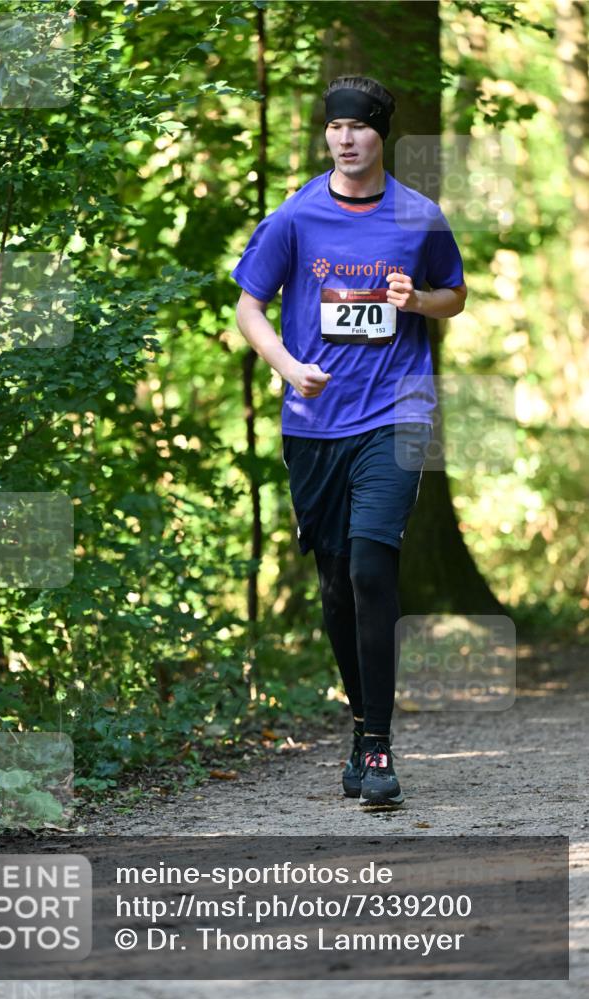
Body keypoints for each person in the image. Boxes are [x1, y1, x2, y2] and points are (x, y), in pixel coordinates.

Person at [230, 76, 466, 808]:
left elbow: (453, 295)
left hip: (396, 413)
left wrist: (416, 301)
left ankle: (377, 744)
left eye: (357, 127)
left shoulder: (417, 216)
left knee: (370, 567)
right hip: (313, 421)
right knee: (334, 583)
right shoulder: (296, 217)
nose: (344, 137)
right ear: (325, 135)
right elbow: (248, 306)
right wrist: (286, 365)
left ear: (379, 135)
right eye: (333, 126)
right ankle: (360, 721)